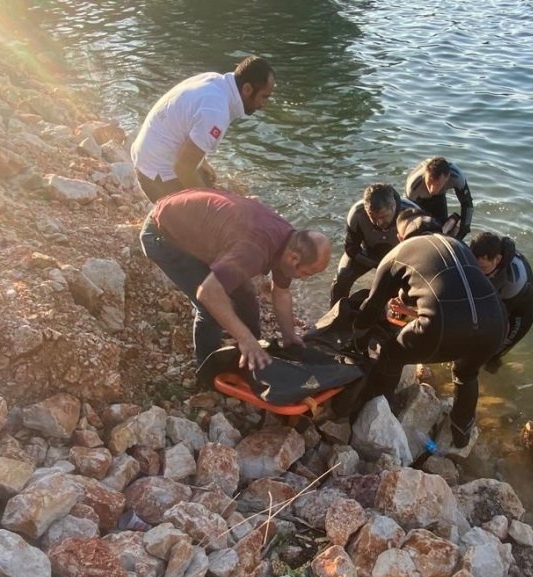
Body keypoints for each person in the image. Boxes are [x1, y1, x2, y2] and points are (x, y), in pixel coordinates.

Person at [354, 209, 507, 448]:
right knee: (467, 374)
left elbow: (371, 306)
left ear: (401, 236)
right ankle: (461, 433)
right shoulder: (459, 245)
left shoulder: (399, 252)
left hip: (442, 327)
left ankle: (381, 414)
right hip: (495, 323)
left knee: (392, 354)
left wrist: (359, 339)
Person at [140, 188, 331, 370]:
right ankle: (208, 372)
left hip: (203, 230)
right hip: (164, 235)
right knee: (210, 310)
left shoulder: (288, 242)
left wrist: (289, 336)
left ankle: (254, 354)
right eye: (307, 273)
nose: (305, 279)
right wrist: (244, 339)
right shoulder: (254, 250)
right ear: (294, 259)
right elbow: (208, 293)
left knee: (246, 296)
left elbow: (281, 292)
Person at [131, 56, 275, 203]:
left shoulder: (214, 80)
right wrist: (209, 205)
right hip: (156, 175)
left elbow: (189, 125)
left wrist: (202, 162)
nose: (265, 104)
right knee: (209, 216)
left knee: (208, 181)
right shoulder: (217, 111)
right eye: (264, 97)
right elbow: (183, 168)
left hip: (148, 156)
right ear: (247, 89)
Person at [329, 183, 419, 306]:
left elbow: (421, 250)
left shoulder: (412, 214)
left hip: (400, 258)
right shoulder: (357, 214)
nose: (379, 223)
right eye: (373, 217)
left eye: (383, 216)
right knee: (342, 278)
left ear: (393, 206)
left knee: (416, 284)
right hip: (367, 254)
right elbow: (351, 249)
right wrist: (378, 265)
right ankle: (335, 316)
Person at [469, 231, 533, 372]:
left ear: (498, 259)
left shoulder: (512, 282)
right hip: (499, 291)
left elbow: (496, 319)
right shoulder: (487, 255)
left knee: (493, 351)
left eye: (483, 268)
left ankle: (492, 377)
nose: (479, 273)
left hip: (520, 312)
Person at [404, 157, 474, 240]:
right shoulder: (413, 186)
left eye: (437, 184)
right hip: (419, 199)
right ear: (425, 176)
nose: (432, 189)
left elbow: (467, 204)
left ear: (447, 177)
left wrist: (463, 231)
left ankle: (453, 220)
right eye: (429, 183)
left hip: (439, 197)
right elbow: (406, 215)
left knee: (441, 228)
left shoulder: (457, 177)